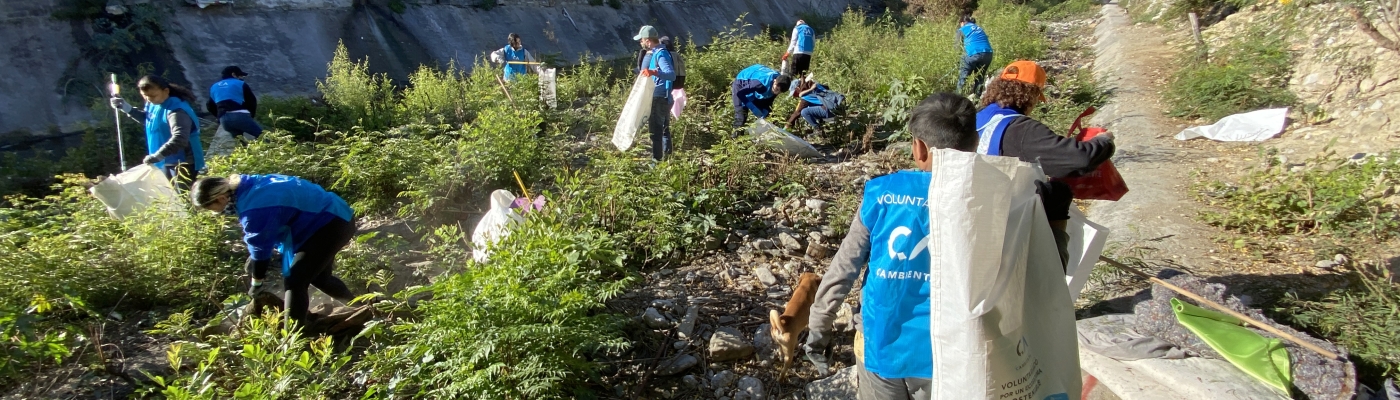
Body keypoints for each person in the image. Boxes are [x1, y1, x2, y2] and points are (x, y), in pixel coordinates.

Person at [804, 93, 979, 399]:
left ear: (919, 148)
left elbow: (843, 270)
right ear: (975, 142)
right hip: (954, 355)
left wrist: (818, 331)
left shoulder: (883, 193)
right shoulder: (993, 196)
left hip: (879, 347)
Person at [975, 60, 1116, 265]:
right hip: (1004, 230)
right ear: (1030, 96)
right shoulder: (1021, 130)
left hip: (973, 218)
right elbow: (1079, 159)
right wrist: (1104, 141)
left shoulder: (976, 118)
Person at [190, 174, 358, 329]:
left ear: (220, 199)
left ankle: (292, 339)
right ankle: (360, 306)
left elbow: (261, 249)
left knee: (295, 281)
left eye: (211, 209)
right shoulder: (249, 184)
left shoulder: (253, 208)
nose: (214, 213)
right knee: (319, 277)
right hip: (333, 215)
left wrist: (256, 283)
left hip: (330, 223)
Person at [109, 75, 205, 188]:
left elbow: (180, 138)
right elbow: (150, 120)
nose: (149, 99)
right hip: (165, 160)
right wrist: (126, 107)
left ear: (166, 91)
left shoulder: (177, 111)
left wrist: (158, 155)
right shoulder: (154, 103)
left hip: (183, 161)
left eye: (153, 96)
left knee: (182, 196)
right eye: (145, 96)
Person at [633, 26, 676, 161]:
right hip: (663, 96)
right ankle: (667, 158)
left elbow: (671, 74)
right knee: (663, 128)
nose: (640, 43)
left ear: (648, 40)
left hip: (659, 97)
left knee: (655, 132)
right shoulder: (656, 52)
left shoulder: (660, 54)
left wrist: (654, 72)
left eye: (641, 40)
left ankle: (656, 162)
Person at [730, 64, 794, 133]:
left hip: (755, 82)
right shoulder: (760, 84)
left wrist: (766, 111)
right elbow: (740, 93)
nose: (776, 92)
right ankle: (735, 139)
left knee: (769, 115)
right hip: (741, 84)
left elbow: (768, 103)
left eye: (779, 91)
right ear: (774, 81)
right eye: (776, 89)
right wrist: (752, 107)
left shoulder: (780, 84)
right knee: (741, 117)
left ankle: (768, 138)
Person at [206, 66, 263, 142]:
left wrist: (219, 117)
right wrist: (251, 116)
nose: (242, 78)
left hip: (224, 121)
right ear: (233, 74)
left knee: (240, 144)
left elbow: (209, 105)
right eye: (240, 76)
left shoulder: (214, 87)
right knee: (264, 136)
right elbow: (252, 101)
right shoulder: (240, 83)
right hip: (239, 117)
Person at [956, 14, 994, 95]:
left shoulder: (962, 29)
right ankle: (976, 101)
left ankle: (957, 100)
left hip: (972, 54)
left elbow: (957, 47)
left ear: (962, 23)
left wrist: (958, 62)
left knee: (963, 79)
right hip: (987, 53)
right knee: (980, 78)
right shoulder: (979, 28)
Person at [661, 36, 688, 119]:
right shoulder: (676, 54)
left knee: (665, 103)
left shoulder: (666, 54)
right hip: (678, 81)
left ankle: (667, 120)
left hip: (669, 82)